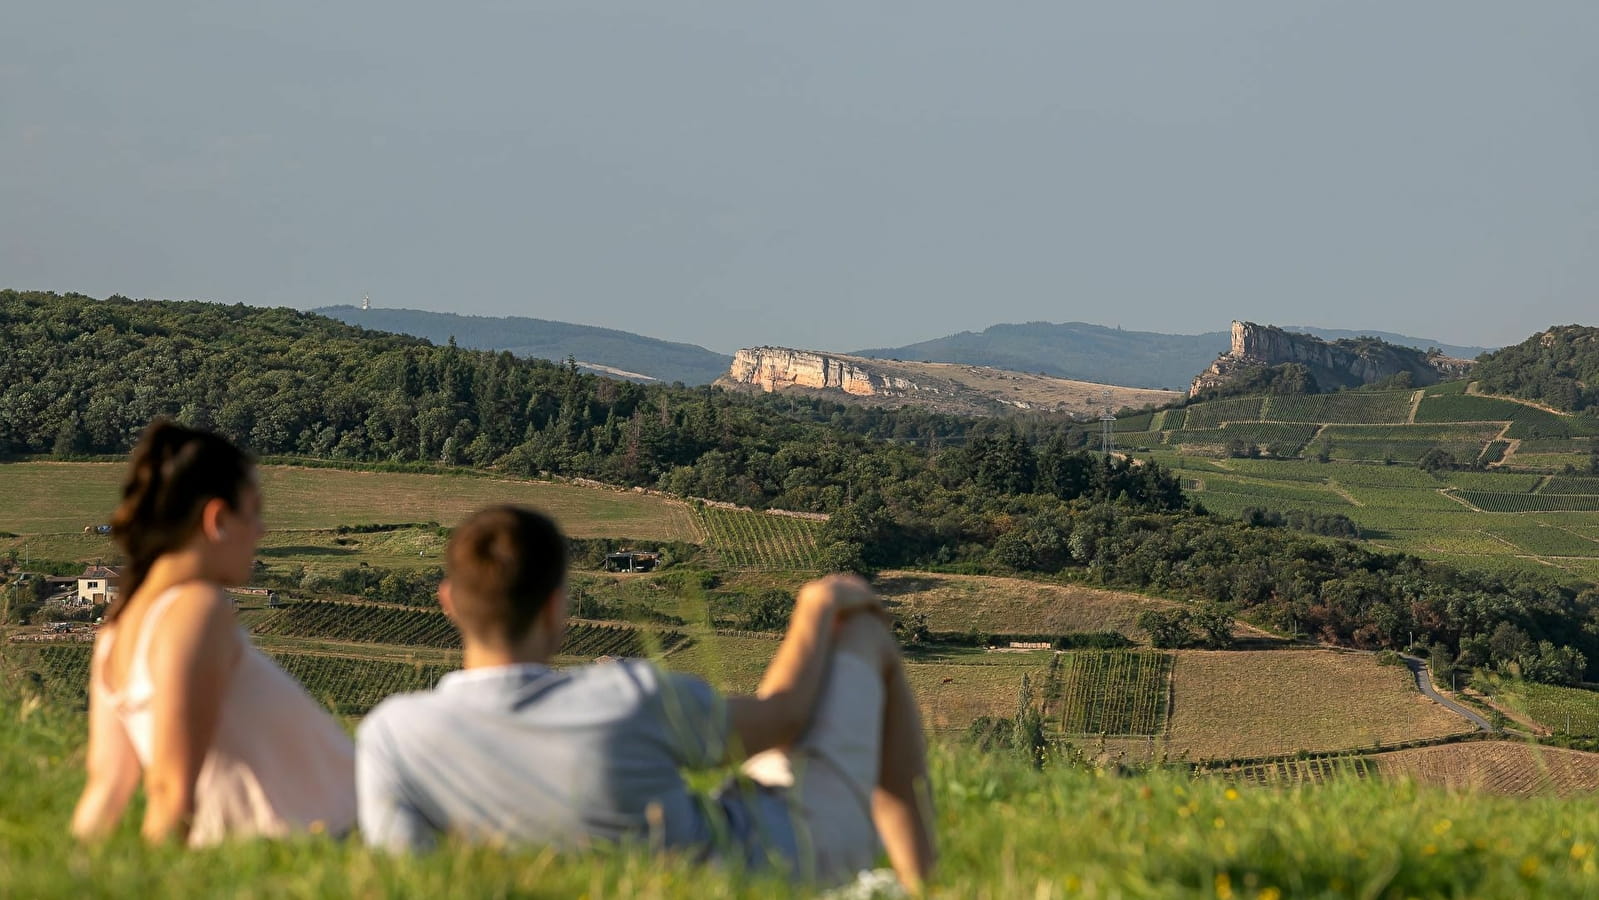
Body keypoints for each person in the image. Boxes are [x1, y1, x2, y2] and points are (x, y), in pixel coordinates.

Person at [357, 505, 936, 890]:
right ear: (558, 607)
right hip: (765, 871)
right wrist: (818, 603)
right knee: (858, 634)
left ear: (449, 602)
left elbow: (410, 877)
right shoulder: (624, 697)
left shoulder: (392, 736)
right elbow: (785, 717)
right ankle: (929, 884)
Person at [70, 420, 356, 845]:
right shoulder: (195, 608)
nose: (262, 531)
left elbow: (106, 789)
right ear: (217, 519)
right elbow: (170, 793)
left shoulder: (115, 630)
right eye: (254, 511)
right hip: (338, 843)